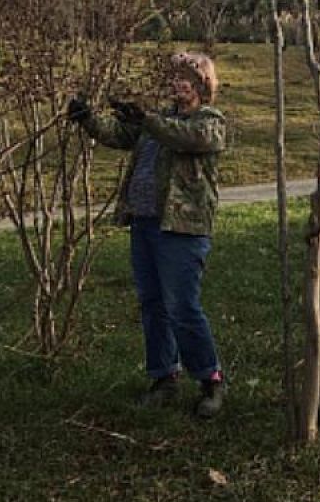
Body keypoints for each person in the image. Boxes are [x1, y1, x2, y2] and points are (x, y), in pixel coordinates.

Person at [67, 52, 227, 418]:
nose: (177, 83)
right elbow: (122, 135)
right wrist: (88, 119)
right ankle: (164, 377)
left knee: (182, 307)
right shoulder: (161, 120)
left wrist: (148, 119)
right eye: (174, 77)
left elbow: (189, 138)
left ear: (203, 83)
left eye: (186, 77)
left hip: (182, 230)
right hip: (144, 224)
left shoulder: (208, 121)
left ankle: (210, 379)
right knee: (153, 305)